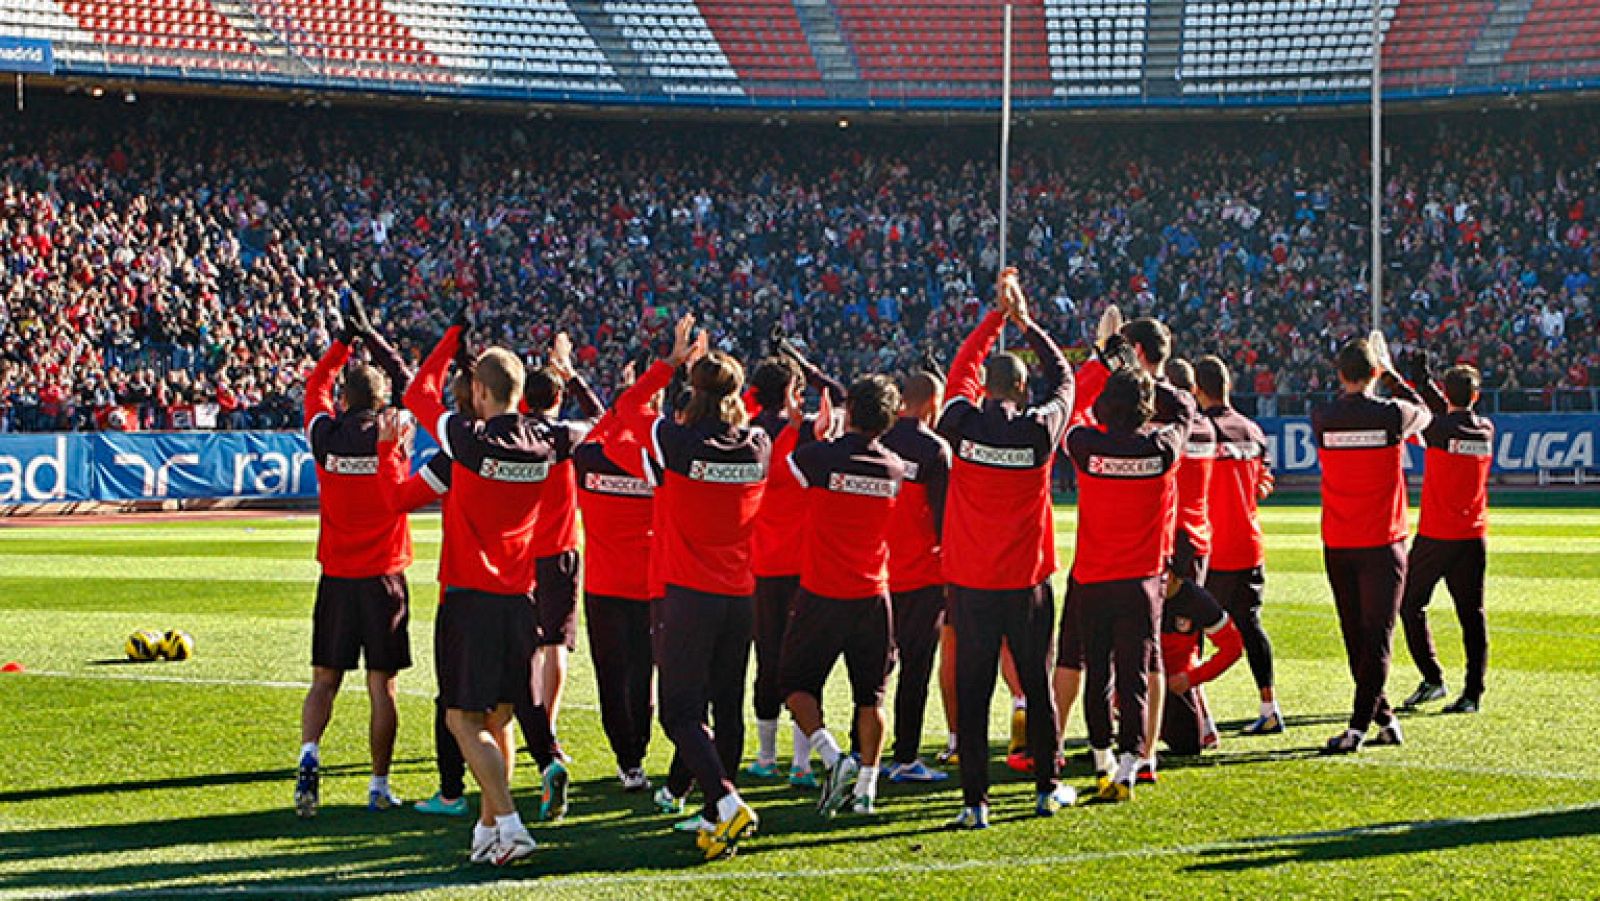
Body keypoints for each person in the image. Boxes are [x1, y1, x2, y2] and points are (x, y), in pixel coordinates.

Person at [404, 309, 570, 866]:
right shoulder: (545, 443)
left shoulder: (466, 440)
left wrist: (451, 339)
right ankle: (487, 830)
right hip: (519, 598)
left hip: (470, 596)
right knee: (497, 720)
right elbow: (589, 426)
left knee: (460, 719)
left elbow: (416, 392)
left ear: (478, 389)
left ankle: (512, 824)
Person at [612, 313, 768, 861]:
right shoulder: (757, 446)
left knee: (679, 711)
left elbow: (629, 410)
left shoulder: (676, 442)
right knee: (726, 708)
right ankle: (714, 813)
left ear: (694, 393)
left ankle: (723, 801)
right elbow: (748, 420)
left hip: (689, 593)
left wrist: (671, 363)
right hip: (739, 596)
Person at [939, 270, 1077, 829]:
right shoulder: (1040, 430)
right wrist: (1025, 322)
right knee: (1036, 686)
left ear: (986, 388)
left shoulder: (959, 423)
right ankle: (1046, 789)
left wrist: (994, 317)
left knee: (971, 693)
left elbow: (958, 371)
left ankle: (975, 803)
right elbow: (1064, 377)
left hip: (970, 583)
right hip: (1026, 583)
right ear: (1023, 390)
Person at [295, 299, 416, 819]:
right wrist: (376, 338)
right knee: (381, 686)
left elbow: (313, 389)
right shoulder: (395, 434)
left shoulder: (325, 436)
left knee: (324, 679)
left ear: (345, 399)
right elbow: (412, 383)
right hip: (384, 576)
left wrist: (343, 340)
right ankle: (378, 783)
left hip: (337, 576)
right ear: (381, 398)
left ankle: (308, 756)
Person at [781, 375, 907, 817]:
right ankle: (866, 790)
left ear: (849, 410)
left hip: (822, 591)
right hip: (873, 593)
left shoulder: (821, 456)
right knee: (871, 697)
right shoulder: (894, 468)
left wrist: (810, 428)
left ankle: (833, 757)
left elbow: (790, 469)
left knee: (792, 684)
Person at [1064, 367, 1191, 802]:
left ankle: (1101, 759)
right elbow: (1186, 409)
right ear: (1146, 406)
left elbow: (1073, 409)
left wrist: (1103, 365)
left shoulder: (1085, 445)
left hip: (1093, 577)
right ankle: (1129, 765)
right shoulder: (1161, 447)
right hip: (1140, 582)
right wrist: (1156, 380)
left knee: (1096, 673)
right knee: (1133, 676)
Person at [1312, 337, 1431, 755]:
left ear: (1340, 373)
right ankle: (1369, 723)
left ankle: (1375, 722)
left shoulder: (1322, 416)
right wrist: (1395, 379)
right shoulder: (1393, 414)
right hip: (1382, 542)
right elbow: (1428, 415)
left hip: (1339, 541)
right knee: (1376, 637)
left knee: (1355, 636)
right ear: (1374, 372)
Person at [746, 336, 843, 787]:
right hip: (804, 564)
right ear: (790, 393)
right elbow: (841, 395)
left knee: (767, 658)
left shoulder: (746, 433)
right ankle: (802, 762)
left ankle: (766, 756)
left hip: (760, 563)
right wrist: (805, 364)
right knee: (803, 662)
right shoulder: (805, 433)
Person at [517, 332, 600, 784]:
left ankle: (529, 726)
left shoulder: (516, 434)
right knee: (556, 646)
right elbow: (604, 421)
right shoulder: (567, 436)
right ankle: (548, 726)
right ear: (559, 397)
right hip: (561, 549)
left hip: (522, 551)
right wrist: (575, 376)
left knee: (527, 645)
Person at [574, 366, 660, 790]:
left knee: (610, 675)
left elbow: (595, 431)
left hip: (603, 585)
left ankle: (627, 761)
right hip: (648, 584)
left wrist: (615, 406)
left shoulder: (590, 456)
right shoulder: (655, 464)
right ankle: (639, 751)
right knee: (642, 674)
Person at [1399, 356, 1493, 714]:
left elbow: (1426, 416)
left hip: (1436, 537)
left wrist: (1409, 382)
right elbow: (1450, 415)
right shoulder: (1484, 428)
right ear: (1477, 395)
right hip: (1472, 537)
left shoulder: (1438, 430)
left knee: (1410, 606)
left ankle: (1433, 678)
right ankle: (1473, 693)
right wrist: (1425, 385)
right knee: (1472, 615)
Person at [1195, 355, 1284, 734]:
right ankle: (1269, 705)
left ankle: (1198, 717)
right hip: (1247, 545)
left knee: (1191, 631)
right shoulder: (1252, 431)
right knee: (1250, 626)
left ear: (1197, 391)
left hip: (1210, 548)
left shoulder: (1198, 432)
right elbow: (1264, 479)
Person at [880, 368, 954, 784]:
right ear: (931, 402)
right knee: (915, 669)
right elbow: (944, 521)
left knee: (873, 669)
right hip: (922, 574)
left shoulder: (880, 436)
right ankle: (905, 756)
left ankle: (860, 750)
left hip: (878, 570)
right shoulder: (934, 450)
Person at [1158, 576, 1245, 756]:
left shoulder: (1198, 601)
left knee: (1188, 746)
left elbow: (1233, 647)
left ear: (1176, 577)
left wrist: (1191, 678)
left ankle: (1202, 721)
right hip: (1140, 676)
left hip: (1174, 682)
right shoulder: (1135, 593)